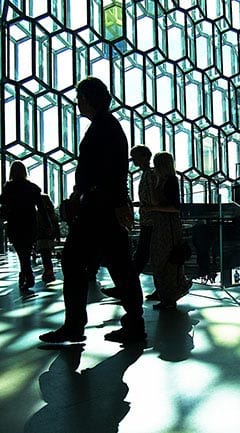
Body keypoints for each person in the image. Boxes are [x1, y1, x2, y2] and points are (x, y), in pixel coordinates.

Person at [39, 77, 145, 344]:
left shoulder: (103, 128)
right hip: (104, 206)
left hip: (97, 208)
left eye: (79, 99)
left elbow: (104, 172)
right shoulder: (108, 126)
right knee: (121, 266)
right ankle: (133, 324)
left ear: (87, 99)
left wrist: (82, 194)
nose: (77, 105)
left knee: (75, 263)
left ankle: (75, 326)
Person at [144, 151, 191, 310]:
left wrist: (153, 208)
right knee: (161, 259)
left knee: (167, 259)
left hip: (168, 226)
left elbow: (175, 208)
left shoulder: (171, 181)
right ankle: (166, 294)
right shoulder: (163, 180)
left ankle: (169, 296)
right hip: (162, 224)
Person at [0, 161, 43, 296]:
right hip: (30, 223)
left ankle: (27, 275)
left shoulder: (9, 188)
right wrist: (47, 223)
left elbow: (3, 205)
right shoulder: (32, 187)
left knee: (21, 252)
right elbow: (41, 208)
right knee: (27, 250)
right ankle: (26, 274)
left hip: (15, 224)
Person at [130, 145, 157, 299]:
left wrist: (144, 206)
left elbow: (153, 198)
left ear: (144, 157)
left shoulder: (150, 174)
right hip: (149, 220)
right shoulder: (148, 174)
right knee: (143, 254)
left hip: (151, 221)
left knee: (142, 254)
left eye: (135, 156)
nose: (133, 160)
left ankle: (128, 285)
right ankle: (128, 284)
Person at [35, 193, 61, 284]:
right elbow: (56, 225)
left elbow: (36, 226)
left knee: (45, 255)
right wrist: (57, 237)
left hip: (41, 237)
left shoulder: (38, 214)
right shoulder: (52, 213)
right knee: (47, 255)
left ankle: (48, 271)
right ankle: (49, 271)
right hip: (50, 237)